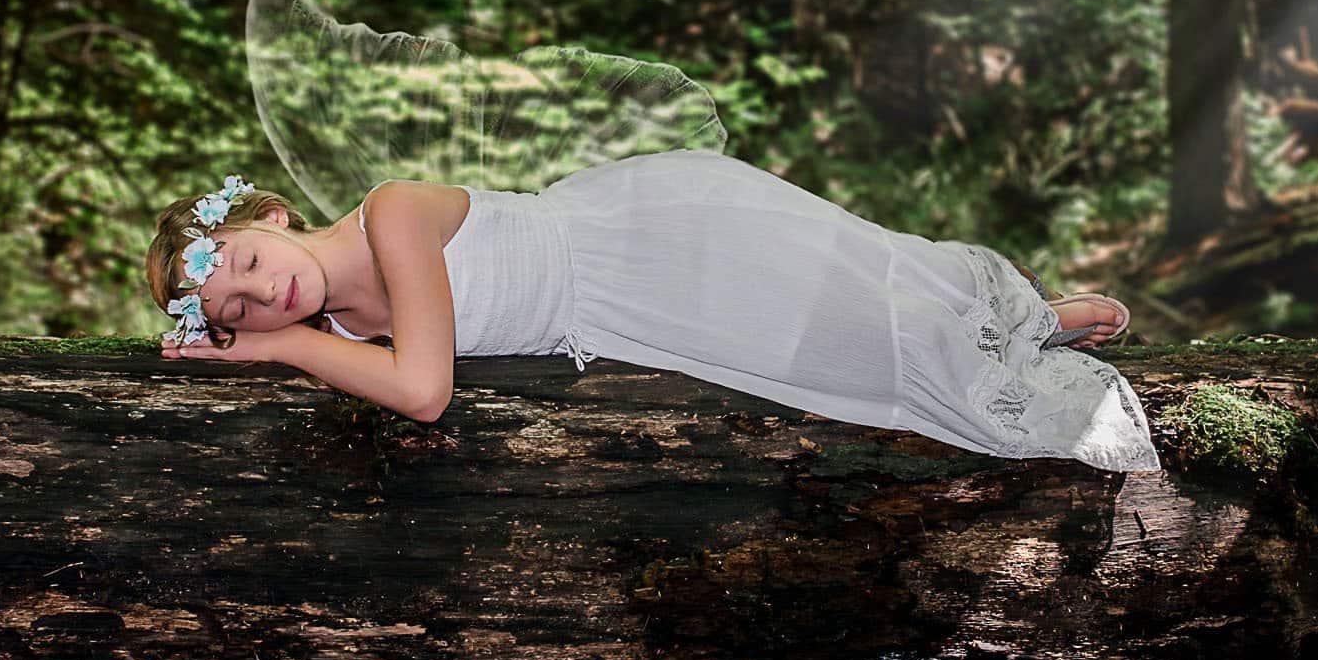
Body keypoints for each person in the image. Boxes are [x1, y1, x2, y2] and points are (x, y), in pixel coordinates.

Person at [145, 155, 1158, 473]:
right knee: (834, 362)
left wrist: (282, 352)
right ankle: (1015, 331)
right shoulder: (343, 330)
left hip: (642, 242)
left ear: (270, 216)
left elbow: (423, 390)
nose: (260, 295)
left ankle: (1022, 318)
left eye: (246, 264)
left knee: (850, 291)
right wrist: (301, 345)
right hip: (621, 321)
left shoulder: (393, 214)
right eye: (234, 312)